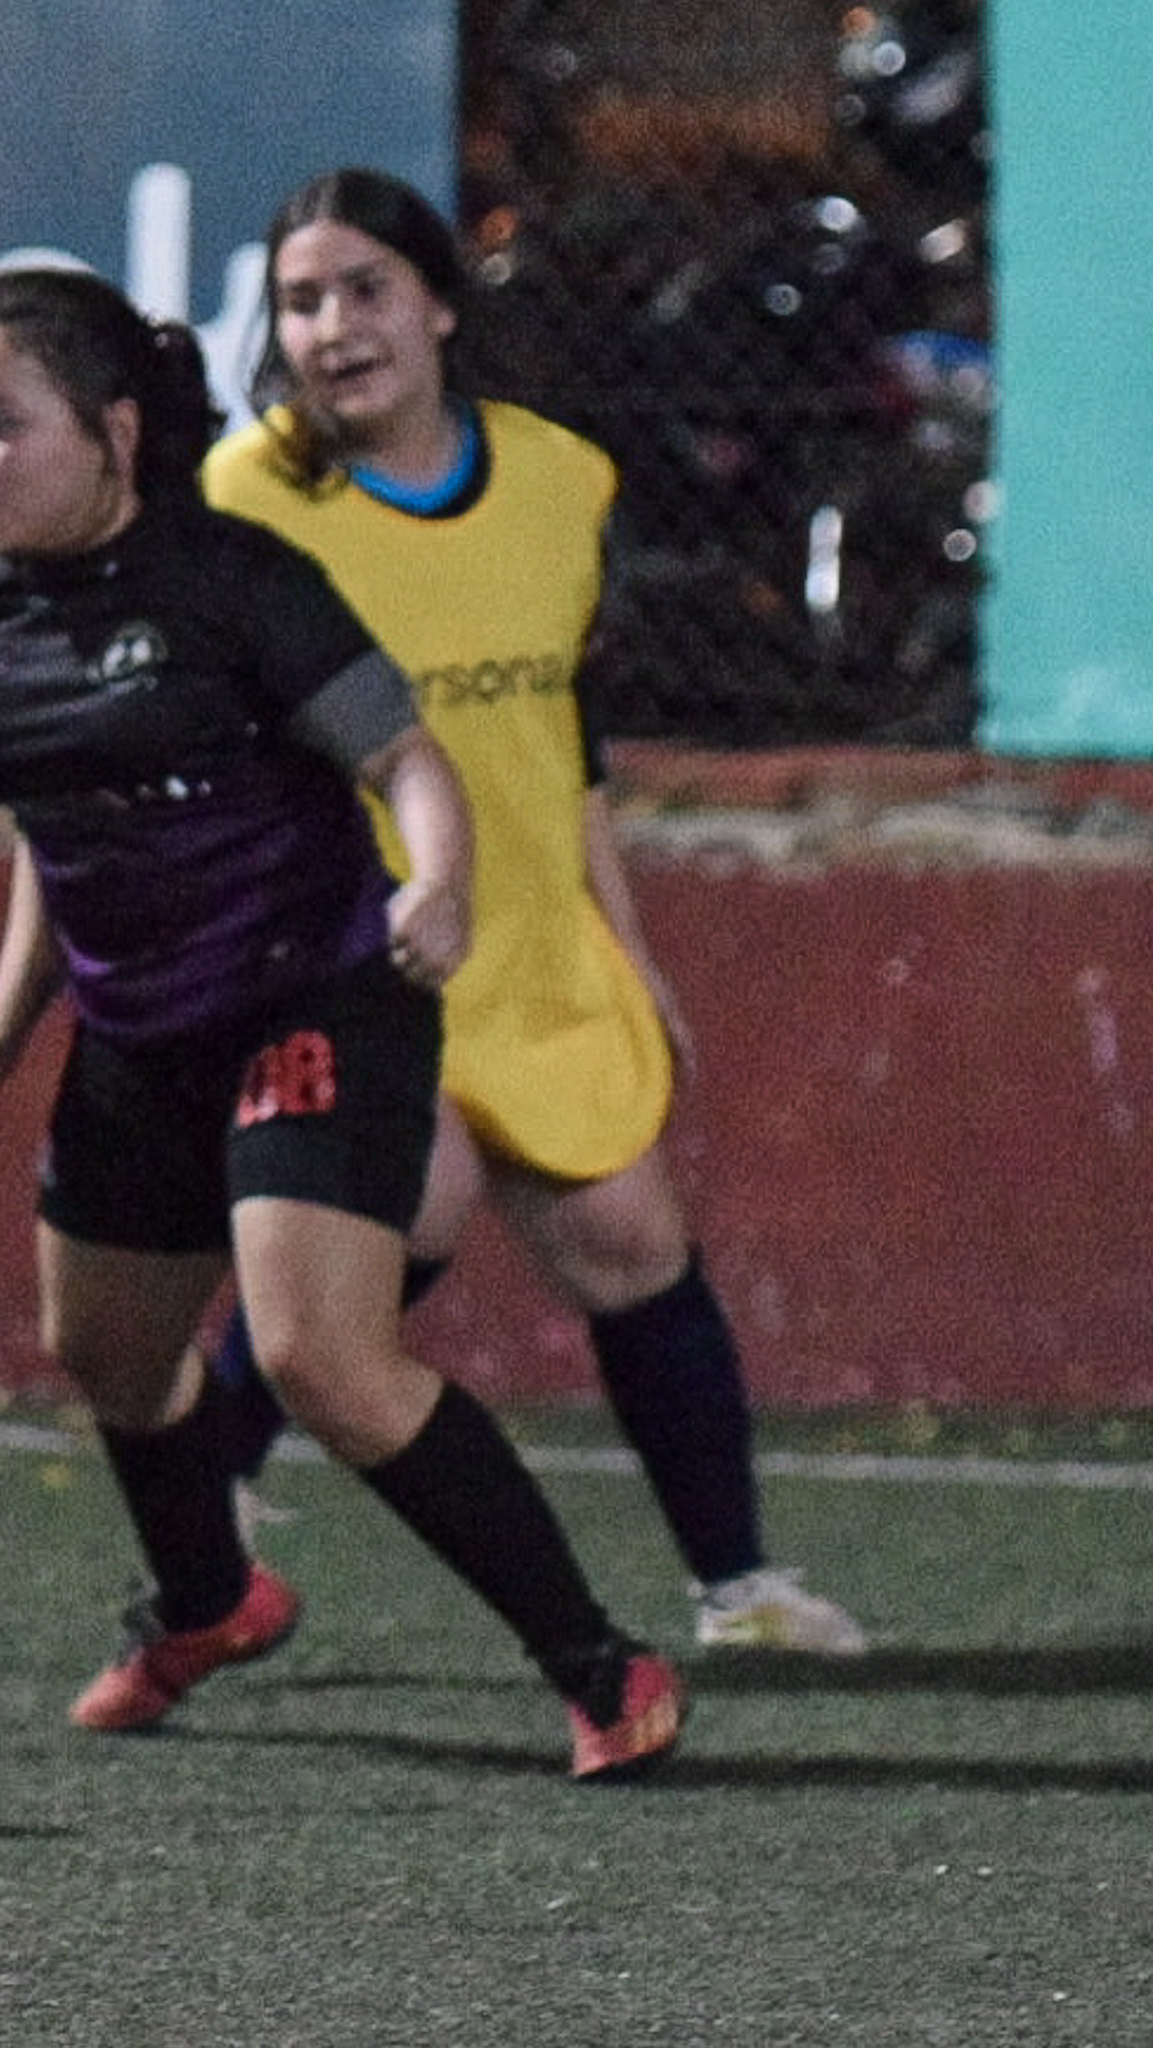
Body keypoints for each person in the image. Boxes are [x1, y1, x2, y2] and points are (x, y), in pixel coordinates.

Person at [0, 264, 684, 1780]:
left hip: (312, 1002)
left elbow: (407, 760)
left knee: (323, 1357)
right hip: (139, 1042)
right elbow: (61, 842)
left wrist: (439, 883)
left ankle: (603, 1667)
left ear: (116, 431)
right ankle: (211, 1605)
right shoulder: (3, 633)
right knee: (107, 1354)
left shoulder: (238, 582)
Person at [199, 167, 865, 1655]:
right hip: (357, 957)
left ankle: (740, 1590)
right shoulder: (247, 500)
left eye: (366, 290)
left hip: (533, 948)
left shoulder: (562, 481)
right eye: (300, 302)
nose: (334, 327)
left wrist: (626, 949)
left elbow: (564, 745)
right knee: (411, 1203)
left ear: (440, 304)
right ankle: (207, 1515)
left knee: (632, 1240)